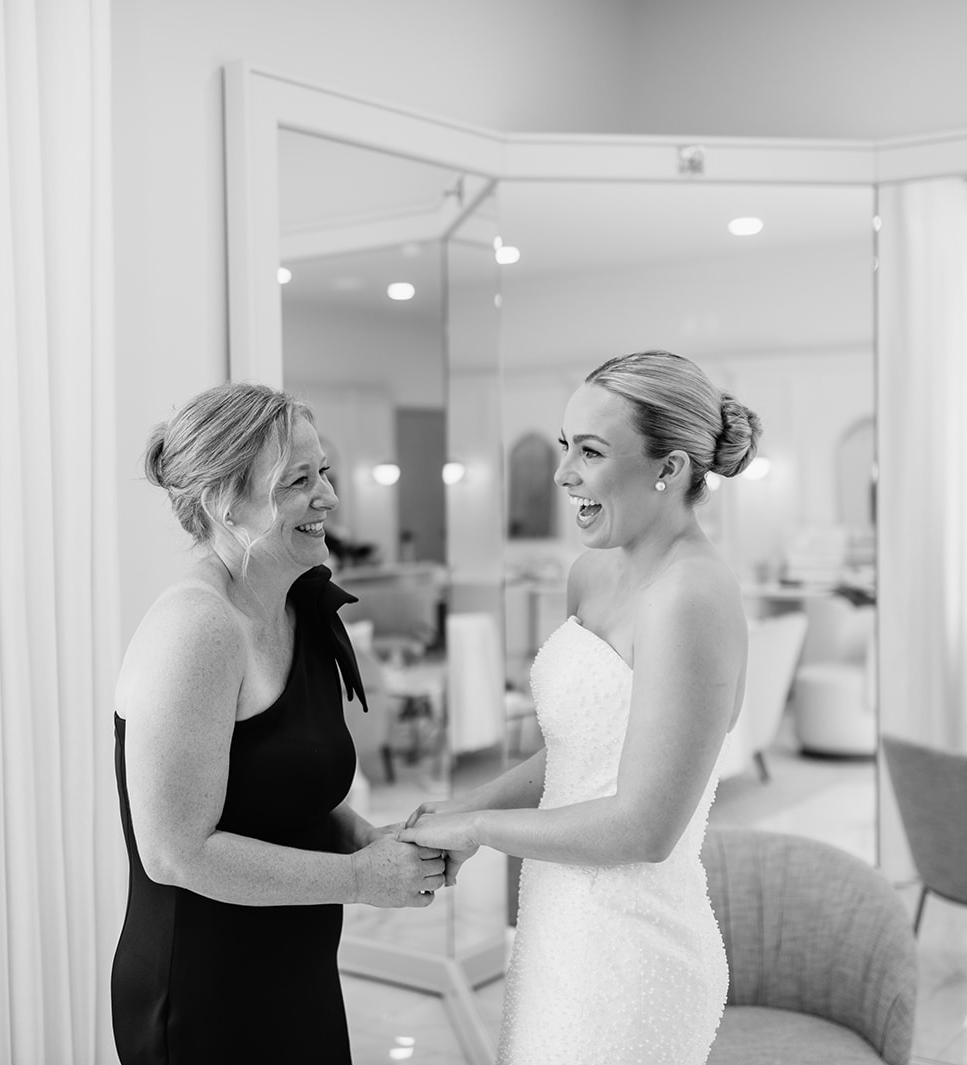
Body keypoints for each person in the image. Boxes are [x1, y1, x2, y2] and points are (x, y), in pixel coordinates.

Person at [397, 350, 759, 1064]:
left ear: (671, 469)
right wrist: (462, 803)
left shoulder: (691, 597)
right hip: (557, 920)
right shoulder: (591, 573)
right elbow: (575, 752)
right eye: (567, 447)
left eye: (590, 452)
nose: (563, 475)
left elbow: (645, 826)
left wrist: (478, 825)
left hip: (631, 949)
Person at [110, 382, 446, 1064]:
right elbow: (176, 851)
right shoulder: (196, 628)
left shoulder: (298, 608)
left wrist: (370, 841)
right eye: (299, 480)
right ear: (223, 504)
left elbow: (290, 800)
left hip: (298, 970)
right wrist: (358, 879)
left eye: (324, 471)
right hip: (206, 992)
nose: (327, 495)